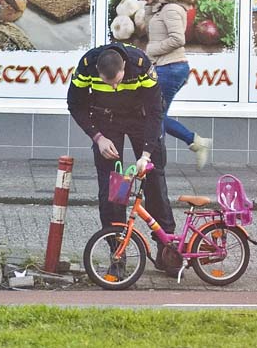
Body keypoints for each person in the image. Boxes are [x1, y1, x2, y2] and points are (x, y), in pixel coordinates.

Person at [67, 42, 180, 273]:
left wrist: (147, 154)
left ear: (124, 68)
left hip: (142, 120)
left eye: (118, 80)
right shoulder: (87, 65)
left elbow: (156, 111)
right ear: (98, 72)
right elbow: (75, 104)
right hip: (107, 123)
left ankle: (166, 248)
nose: (115, 86)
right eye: (110, 83)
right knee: (113, 188)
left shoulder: (140, 65)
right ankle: (117, 253)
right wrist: (98, 137)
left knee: (155, 183)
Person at [145, 0, 212, 170]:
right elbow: (147, 26)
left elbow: (178, 39)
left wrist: (152, 50)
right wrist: (150, 4)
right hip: (166, 67)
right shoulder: (164, 7)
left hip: (171, 68)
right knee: (154, 115)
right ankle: (191, 144)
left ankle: (159, 162)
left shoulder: (172, 8)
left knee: (154, 116)